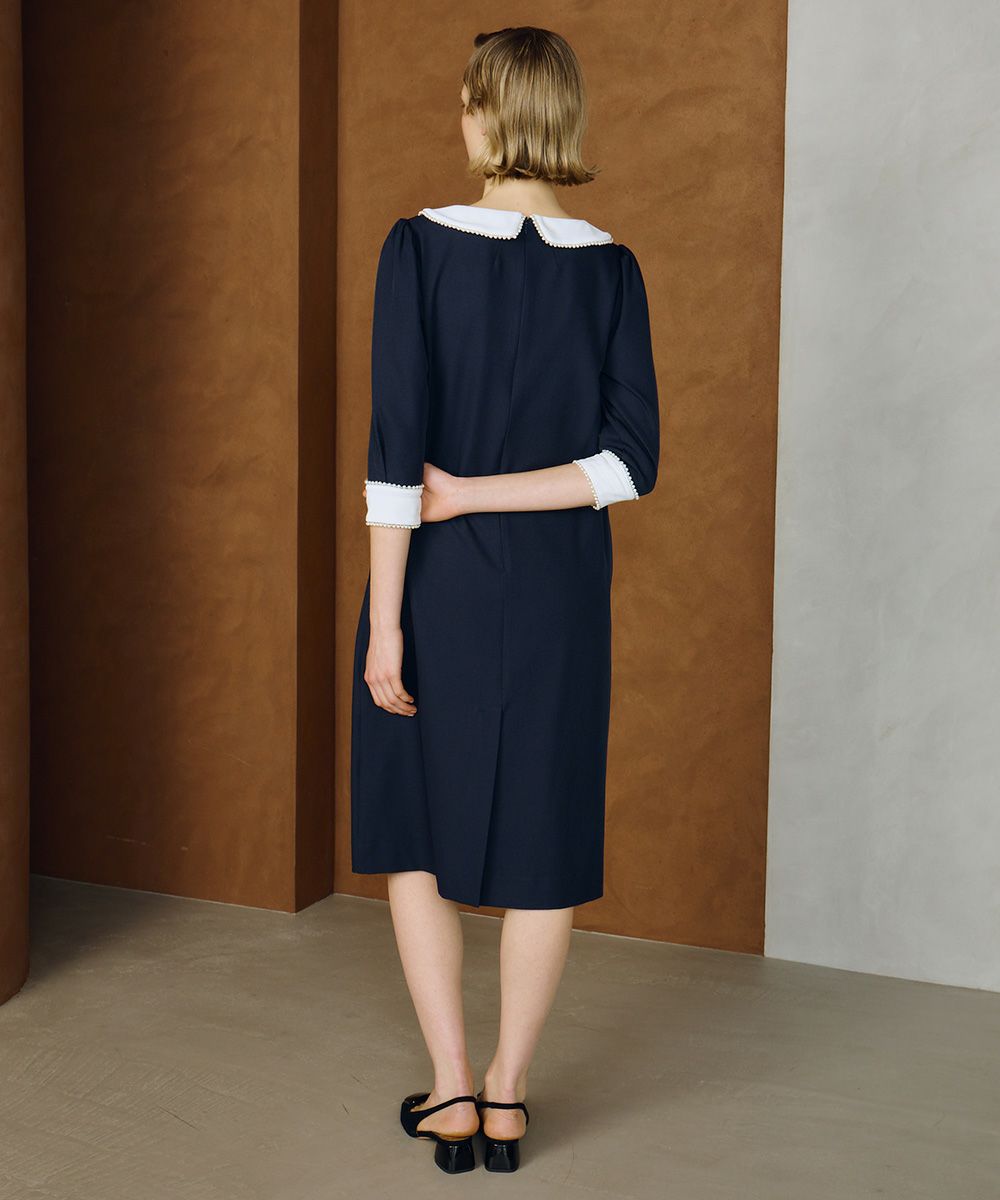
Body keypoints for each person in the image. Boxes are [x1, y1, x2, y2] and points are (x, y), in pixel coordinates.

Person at [350, 25, 660, 1175]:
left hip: (434, 585)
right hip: (560, 595)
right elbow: (629, 464)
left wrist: (388, 619)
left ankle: (449, 1090)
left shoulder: (416, 247)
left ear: (486, 111)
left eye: (464, 100)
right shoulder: (611, 267)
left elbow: (396, 458)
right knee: (545, 831)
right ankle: (509, 1095)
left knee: (414, 831)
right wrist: (490, 492)